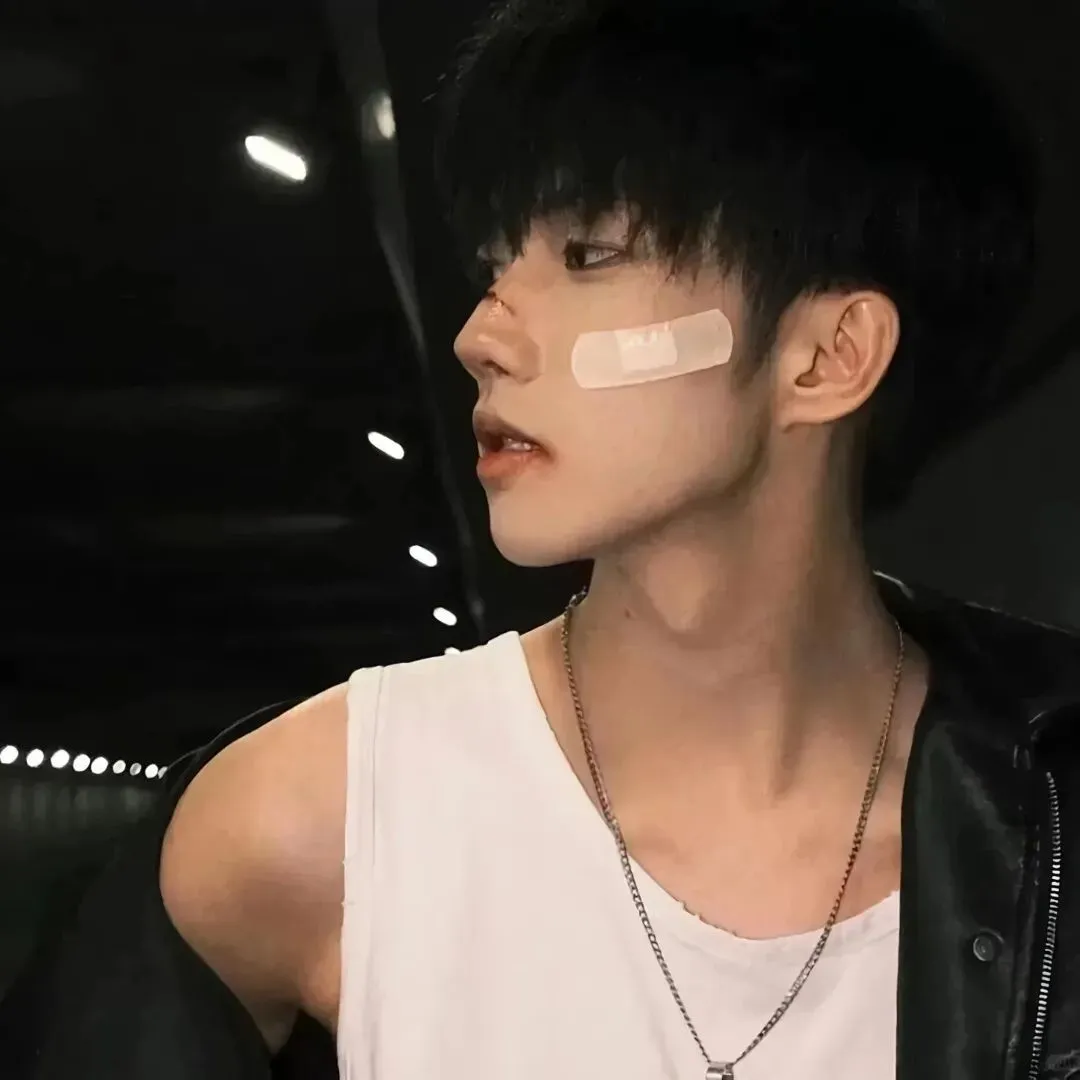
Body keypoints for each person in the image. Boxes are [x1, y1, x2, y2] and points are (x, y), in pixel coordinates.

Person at [6, 1, 1079, 1078]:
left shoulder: (1053, 816)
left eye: (588, 253)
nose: (480, 336)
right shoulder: (318, 815)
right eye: (492, 266)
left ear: (828, 356)